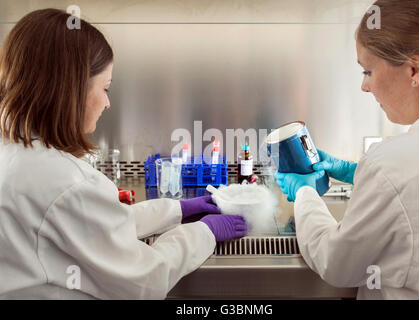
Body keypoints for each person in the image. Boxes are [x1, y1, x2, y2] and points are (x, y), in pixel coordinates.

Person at [0, 9, 247, 299]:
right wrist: (205, 232)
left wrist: (178, 209)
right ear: (72, 90)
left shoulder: (17, 155)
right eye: (105, 88)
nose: (107, 104)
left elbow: (98, 225)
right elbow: (145, 280)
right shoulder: (65, 183)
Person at [275, 0, 419, 299]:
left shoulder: (392, 164)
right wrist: (357, 173)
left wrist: (304, 194)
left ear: (414, 70)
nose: (364, 87)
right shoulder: (410, 160)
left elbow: (336, 263)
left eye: (367, 71)